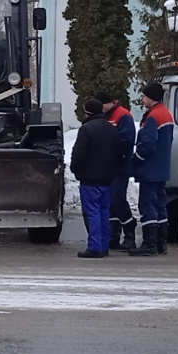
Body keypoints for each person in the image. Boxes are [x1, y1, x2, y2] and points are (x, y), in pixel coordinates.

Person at [69, 95, 126, 259]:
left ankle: (95, 247)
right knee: (104, 212)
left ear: (87, 112)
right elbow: (118, 153)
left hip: (89, 178)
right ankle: (104, 245)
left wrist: (75, 169)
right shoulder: (111, 129)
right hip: (107, 178)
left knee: (92, 212)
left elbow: (78, 153)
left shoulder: (87, 129)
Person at [130, 80, 175, 255]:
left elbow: (147, 144)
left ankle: (149, 245)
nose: (142, 99)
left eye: (144, 96)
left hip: (150, 170)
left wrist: (136, 160)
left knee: (148, 206)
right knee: (160, 206)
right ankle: (160, 243)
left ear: (151, 98)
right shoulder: (166, 114)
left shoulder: (153, 117)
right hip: (161, 169)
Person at [103, 91, 138, 253]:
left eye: (103, 105)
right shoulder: (105, 116)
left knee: (117, 199)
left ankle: (129, 232)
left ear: (110, 103)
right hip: (108, 166)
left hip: (120, 165)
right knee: (110, 200)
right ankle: (113, 235)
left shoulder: (123, 116)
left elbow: (127, 140)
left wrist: (111, 152)